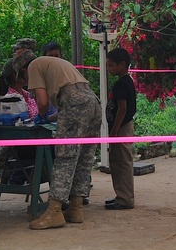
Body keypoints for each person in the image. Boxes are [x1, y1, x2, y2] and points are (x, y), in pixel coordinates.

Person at [17, 50, 102, 229]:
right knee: (84, 157)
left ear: (24, 70)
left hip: (74, 103)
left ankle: (54, 211)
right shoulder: (54, 63)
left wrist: (38, 117)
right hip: (92, 102)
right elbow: (70, 101)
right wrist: (48, 118)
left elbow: (42, 102)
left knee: (65, 156)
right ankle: (76, 207)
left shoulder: (33, 66)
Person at [105, 47, 136, 211]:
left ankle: (125, 198)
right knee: (117, 162)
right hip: (122, 127)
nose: (109, 69)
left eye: (111, 65)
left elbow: (122, 109)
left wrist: (115, 130)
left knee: (122, 162)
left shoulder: (121, 84)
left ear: (122, 65)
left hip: (121, 128)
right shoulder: (126, 81)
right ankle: (121, 195)